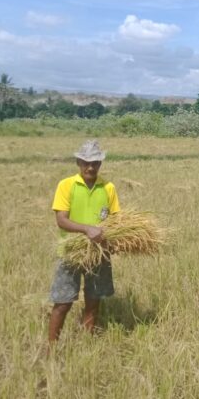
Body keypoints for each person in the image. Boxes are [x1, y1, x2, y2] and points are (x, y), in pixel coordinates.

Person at [48, 139, 120, 346]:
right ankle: (51, 348)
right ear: (78, 162)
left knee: (94, 299)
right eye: (86, 162)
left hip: (99, 252)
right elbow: (61, 220)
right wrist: (87, 229)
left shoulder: (108, 188)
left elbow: (116, 220)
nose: (91, 167)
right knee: (62, 302)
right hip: (71, 251)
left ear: (101, 163)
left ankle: (86, 344)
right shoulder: (67, 185)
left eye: (95, 162)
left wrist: (115, 240)